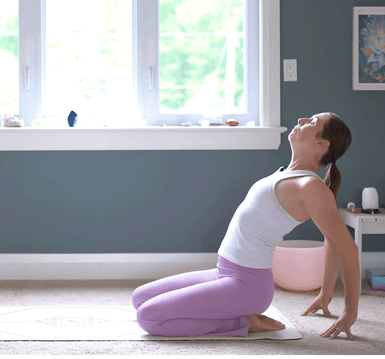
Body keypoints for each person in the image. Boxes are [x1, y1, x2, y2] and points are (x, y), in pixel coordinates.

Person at [132, 112, 358, 340]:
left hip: (246, 285)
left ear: (322, 143)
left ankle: (242, 322)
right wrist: (325, 293)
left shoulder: (310, 187)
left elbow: (346, 247)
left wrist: (350, 311)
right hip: (223, 272)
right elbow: (331, 241)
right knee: (139, 298)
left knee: (149, 318)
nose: (300, 120)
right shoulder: (288, 173)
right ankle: (237, 314)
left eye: (311, 122)